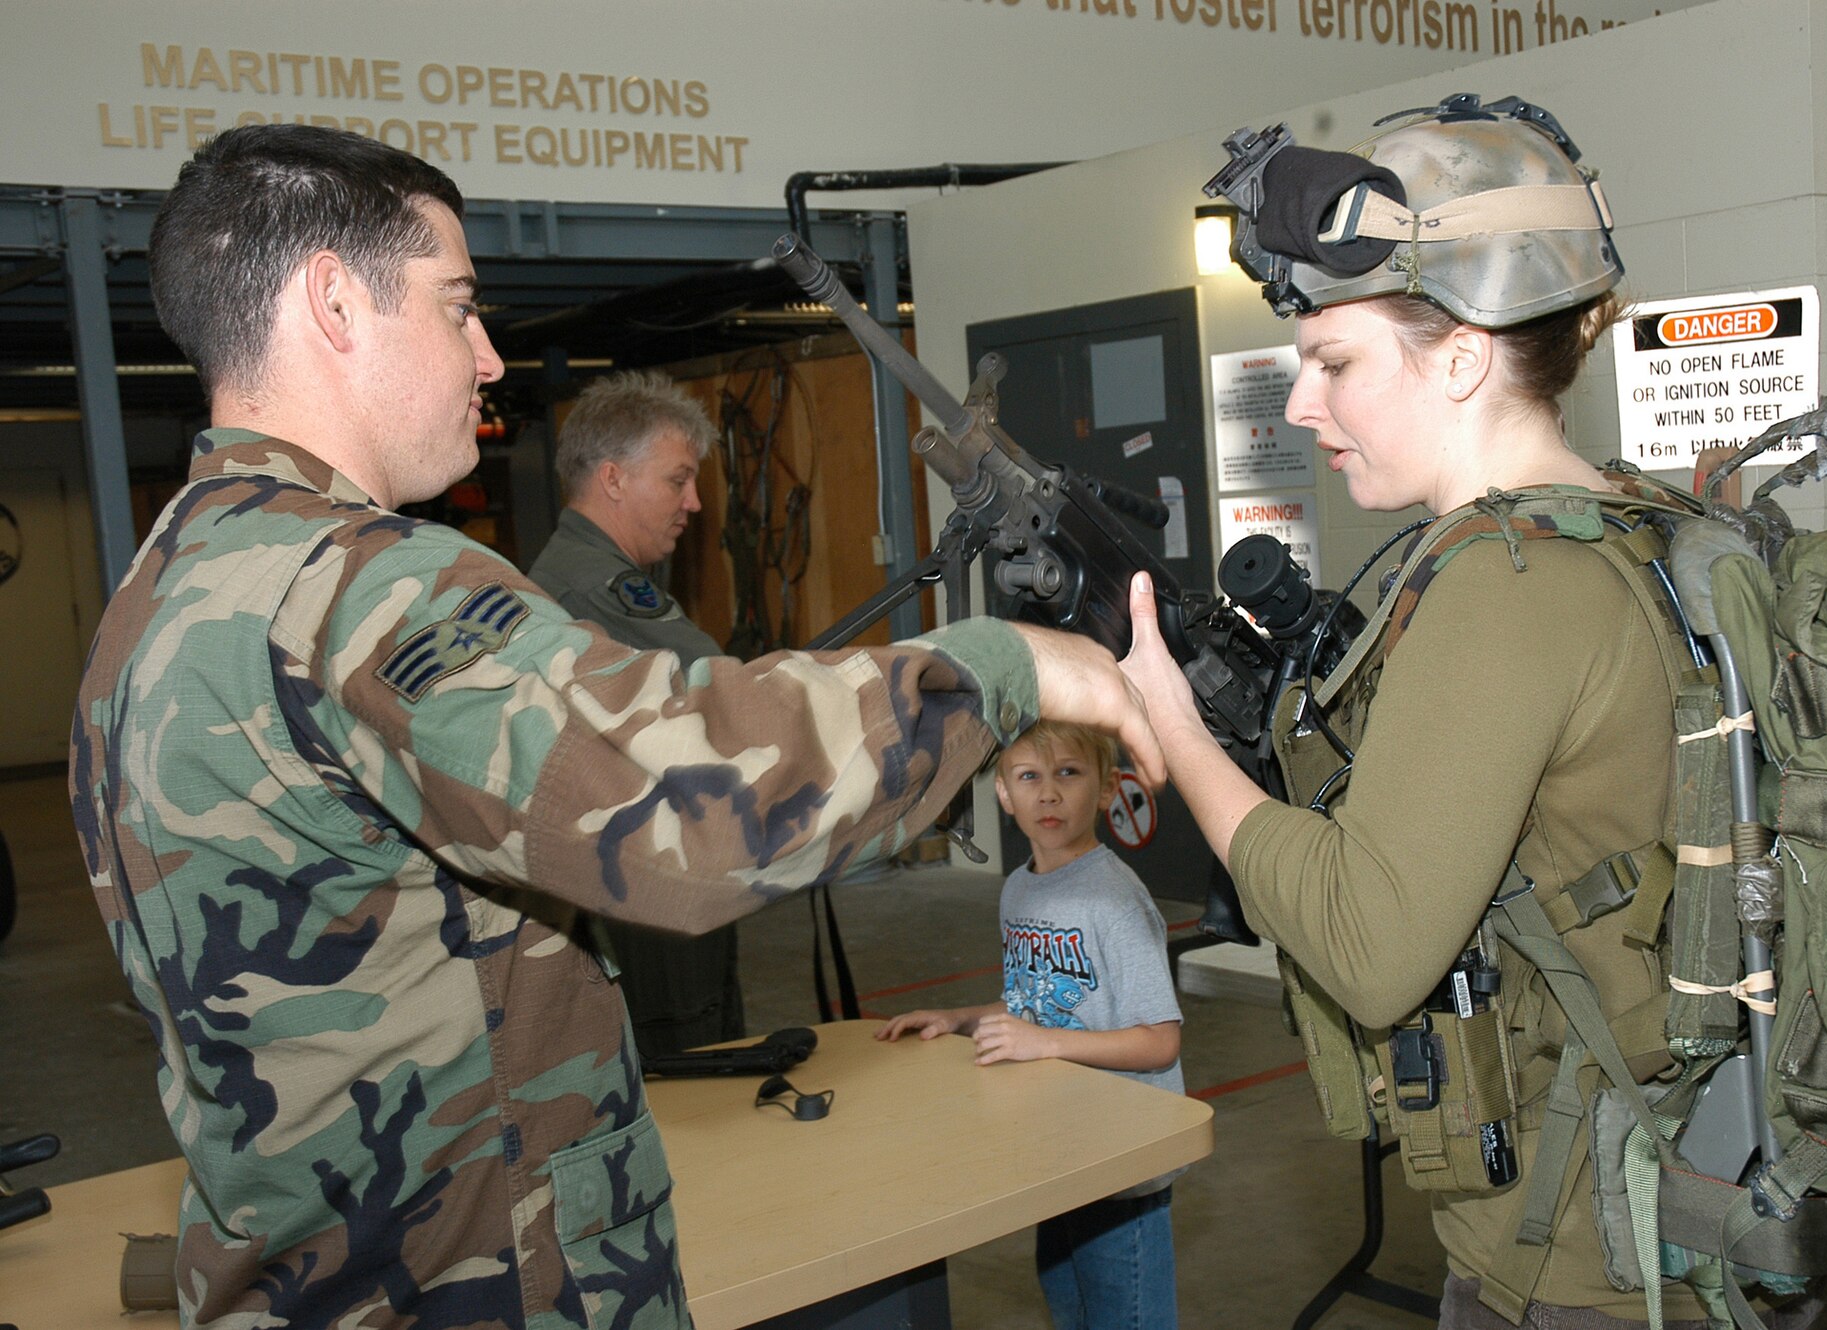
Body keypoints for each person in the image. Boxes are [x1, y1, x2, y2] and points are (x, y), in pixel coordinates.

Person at [68, 123, 1160, 1330]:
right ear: (334, 301)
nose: (488, 355)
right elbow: (673, 802)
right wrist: (1001, 664)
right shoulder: (357, 582)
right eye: (456, 305)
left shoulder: (162, 586)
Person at [1120, 96, 1818, 1328]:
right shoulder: (1633, 525)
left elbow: (1366, 941)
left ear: (1459, 357)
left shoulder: (1503, 587)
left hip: (1574, 1273)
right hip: (1662, 1208)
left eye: (1332, 362)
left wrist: (1171, 728)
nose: (1299, 406)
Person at [876, 720, 1183, 1330]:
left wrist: (1041, 1043)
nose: (1048, 793)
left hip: (1121, 1159)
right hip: (1057, 1144)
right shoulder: (1019, 890)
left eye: (1069, 773)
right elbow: (1033, 1000)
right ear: (1004, 794)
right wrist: (959, 1018)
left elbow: (1161, 1040)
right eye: (1029, 777)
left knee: (1126, 1316)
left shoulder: (1114, 899)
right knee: (1068, 1305)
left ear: (1106, 789)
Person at [528, 370, 745, 1057]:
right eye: (677, 481)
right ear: (614, 480)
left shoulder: (572, 574)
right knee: (696, 1083)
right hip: (647, 889)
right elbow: (719, 682)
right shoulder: (595, 587)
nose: (695, 503)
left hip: (628, 882)